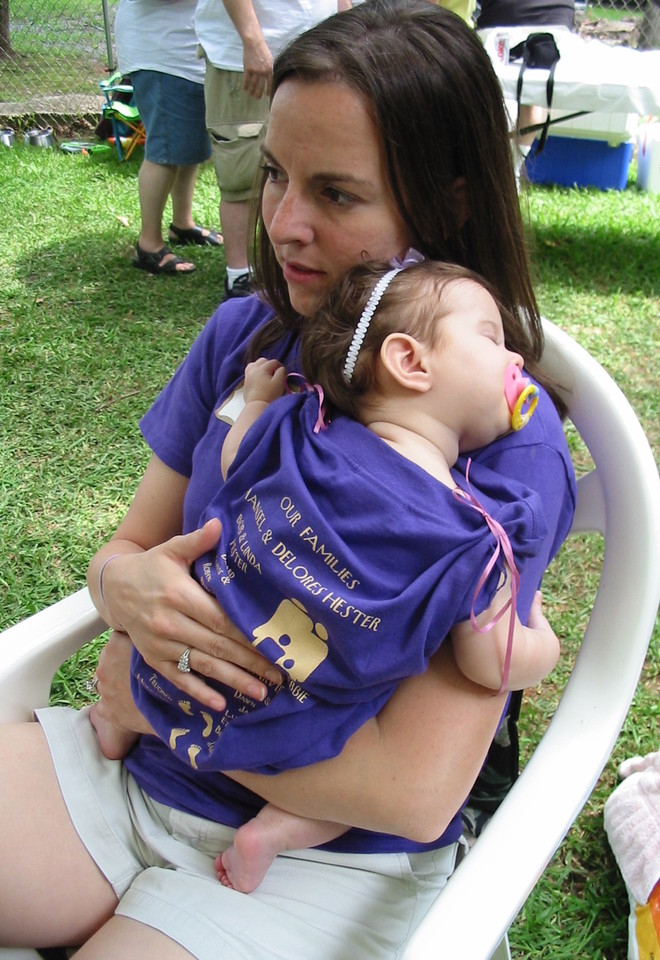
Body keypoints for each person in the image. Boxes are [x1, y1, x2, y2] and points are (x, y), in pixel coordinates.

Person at [0, 3, 576, 956]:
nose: (284, 223)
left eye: (337, 194)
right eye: (274, 173)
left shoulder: (500, 449)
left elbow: (414, 788)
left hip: (325, 858)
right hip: (133, 774)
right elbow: (130, 549)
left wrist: (153, 701)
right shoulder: (248, 340)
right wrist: (121, 586)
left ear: (452, 199)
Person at [91, 257, 560, 893]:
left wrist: (257, 398)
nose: (516, 362)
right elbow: (492, 660)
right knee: (325, 764)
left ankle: (117, 720)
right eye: (490, 339)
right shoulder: (475, 533)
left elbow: (236, 458)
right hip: (300, 723)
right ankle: (278, 829)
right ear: (410, 361)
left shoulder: (300, 428)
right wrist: (544, 644)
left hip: (185, 667)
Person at [194, 0, 344, 299]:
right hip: (247, 59)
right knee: (243, 172)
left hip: (321, 56)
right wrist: (252, 41)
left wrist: (349, 29)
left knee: (315, 169)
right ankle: (239, 276)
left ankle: (288, 268)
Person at [113, 0, 224, 277]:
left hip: (184, 51)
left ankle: (182, 224)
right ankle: (149, 245)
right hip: (162, 53)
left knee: (188, 145)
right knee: (165, 150)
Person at [475, 0, 576, 163]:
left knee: (484, 93)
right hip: (557, 21)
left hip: (502, 20)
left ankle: (504, 170)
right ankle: (512, 169)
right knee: (535, 96)